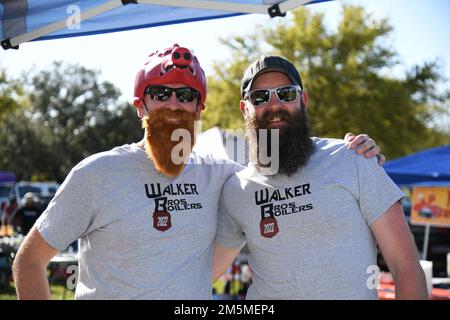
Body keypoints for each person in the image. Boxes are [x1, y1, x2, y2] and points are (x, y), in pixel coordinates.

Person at [13, 45, 381, 300]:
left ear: (199, 108)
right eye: (160, 93)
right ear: (141, 105)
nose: (174, 105)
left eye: (186, 96)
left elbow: (283, 172)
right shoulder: (97, 173)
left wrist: (353, 149)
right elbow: (29, 261)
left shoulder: (223, 178)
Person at [212, 55, 428, 300]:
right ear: (245, 108)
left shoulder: (353, 159)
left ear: (303, 100)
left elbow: (405, 265)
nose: (274, 105)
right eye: (260, 97)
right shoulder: (237, 189)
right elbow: (201, 274)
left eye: (286, 94)